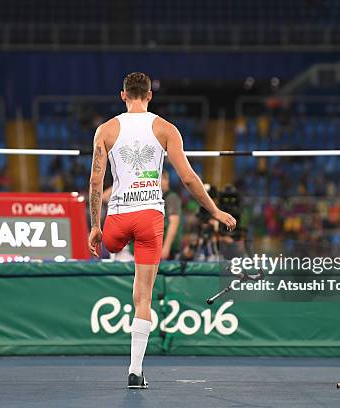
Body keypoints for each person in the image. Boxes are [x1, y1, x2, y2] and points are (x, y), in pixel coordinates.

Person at [88, 72, 236, 389]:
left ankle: (114, 242)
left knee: (112, 246)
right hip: (150, 218)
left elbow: (96, 182)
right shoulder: (165, 129)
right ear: (150, 96)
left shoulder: (106, 130)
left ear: (123, 95)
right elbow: (188, 179)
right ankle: (135, 370)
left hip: (118, 218)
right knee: (143, 297)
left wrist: (95, 227)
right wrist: (215, 210)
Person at [161, 170, 182, 260]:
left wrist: (166, 247)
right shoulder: (158, 197)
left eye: (162, 179)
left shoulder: (171, 197)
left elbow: (174, 222)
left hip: (168, 249)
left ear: (167, 181)